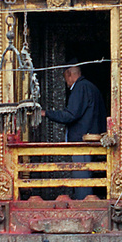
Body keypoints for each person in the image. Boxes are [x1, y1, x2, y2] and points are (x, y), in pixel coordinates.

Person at [43, 64, 107, 199]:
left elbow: (70, 115)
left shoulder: (80, 87)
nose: (66, 81)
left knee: (82, 177)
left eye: (65, 77)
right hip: (91, 141)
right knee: (87, 175)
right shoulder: (91, 87)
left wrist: (46, 113)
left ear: (69, 74)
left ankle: (84, 206)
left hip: (82, 142)